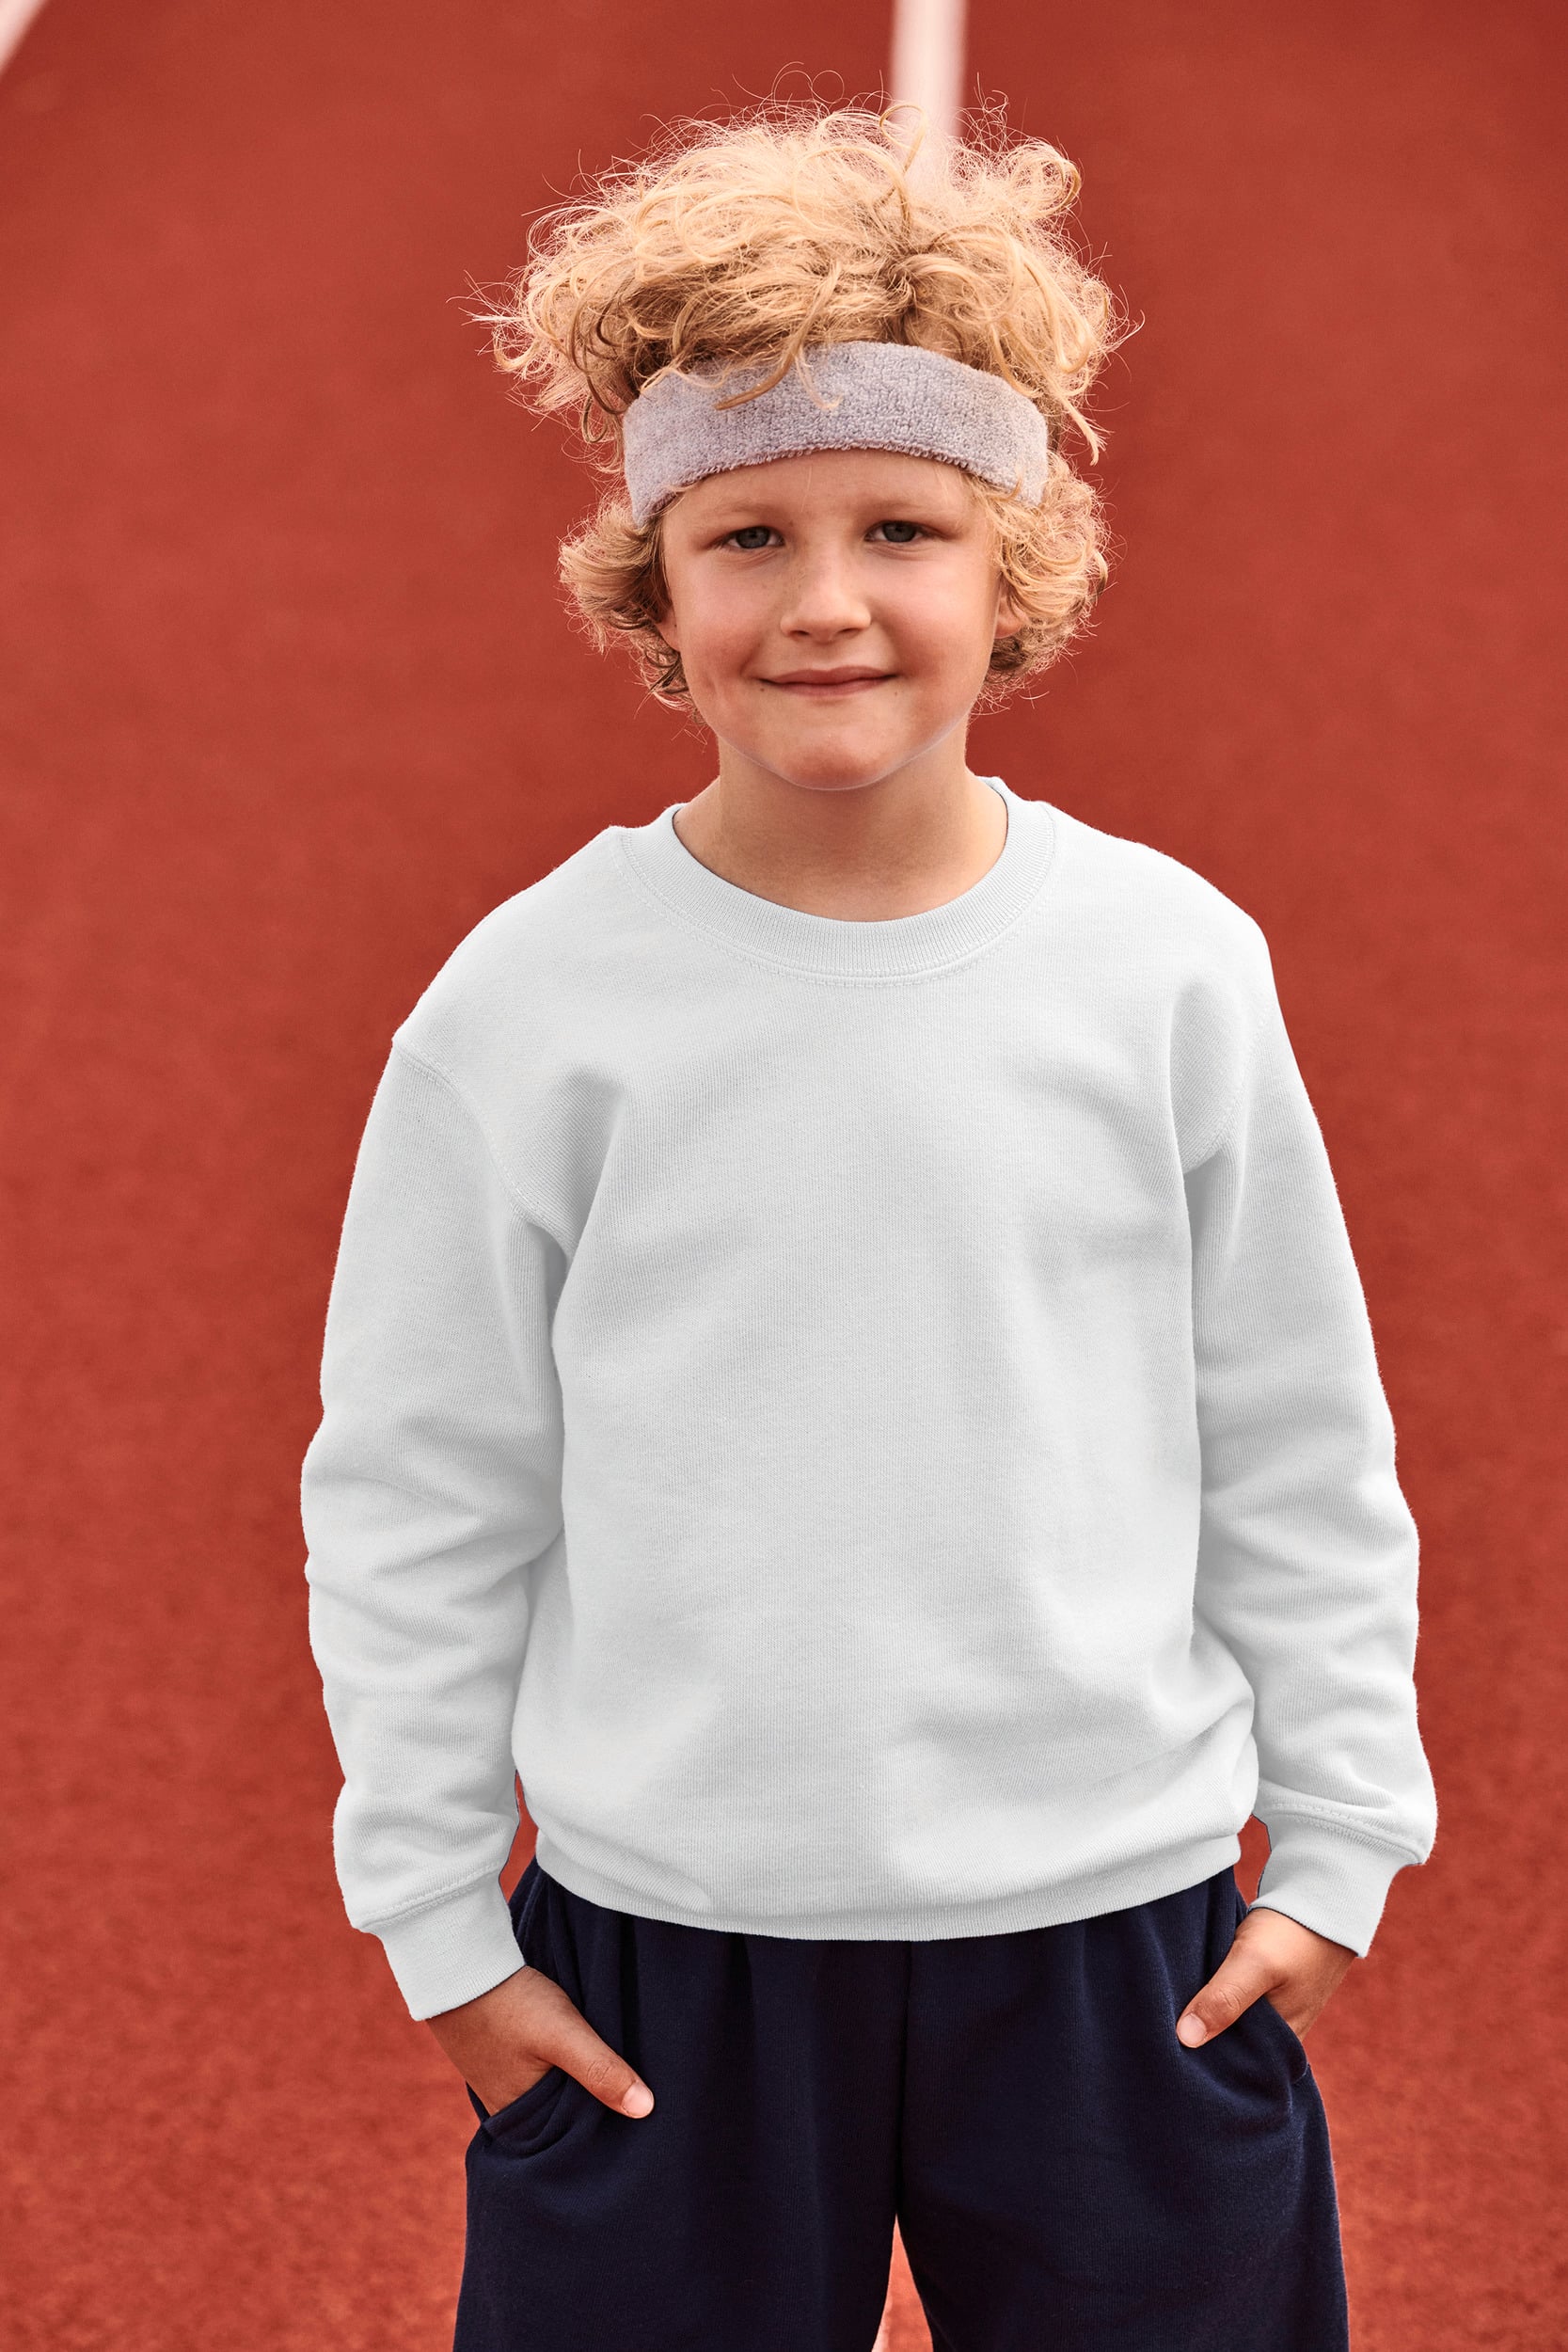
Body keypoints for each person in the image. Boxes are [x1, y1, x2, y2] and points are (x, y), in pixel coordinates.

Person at [301, 102, 1437, 2351]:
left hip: (1119, 1943)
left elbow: (1297, 1428)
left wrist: (1347, 1830)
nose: (825, 601)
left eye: (900, 525)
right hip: (662, 1956)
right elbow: (421, 1488)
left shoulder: (1167, 964)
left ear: (1012, 566)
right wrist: (440, 1917)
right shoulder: (527, 1008)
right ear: (655, 590)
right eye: (746, 538)